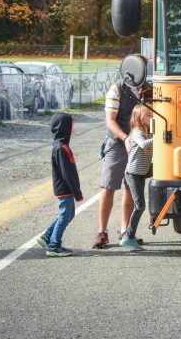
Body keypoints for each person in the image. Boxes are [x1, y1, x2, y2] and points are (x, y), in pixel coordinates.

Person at [93, 74, 151, 249]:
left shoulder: (150, 89)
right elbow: (110, 121)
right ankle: (102, 232)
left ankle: (125, 231)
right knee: (108, 186)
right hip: (117, 142)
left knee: (130, 187)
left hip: (138, 144)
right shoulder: (116, 89)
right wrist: (126, 138)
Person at [36, 113, 83, 257]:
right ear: (64, 127)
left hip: (63, 188)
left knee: (68, 214)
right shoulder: (62, 148)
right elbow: (67, 173)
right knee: (64, 216)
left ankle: (47, 236)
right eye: (71, 124)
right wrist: (77, 192)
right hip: (65, 188)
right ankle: (54, 246)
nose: (73, 127)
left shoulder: (60, 145)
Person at [119, 103, 154, 250]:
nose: (151, 117)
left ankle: (128, 235)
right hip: (133, 173)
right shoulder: (137, 132)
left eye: (152, 115)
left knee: (139, 205)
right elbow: (143, 145)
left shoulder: (148, 132)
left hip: (141, 172)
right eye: (148, 115)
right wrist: (160, 137)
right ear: (139, 118)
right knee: (140, 206)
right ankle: (128, 237)